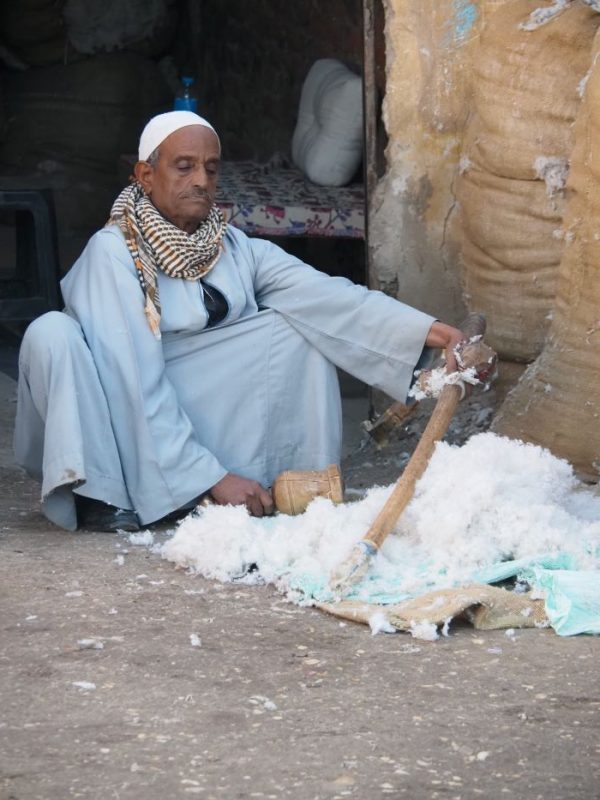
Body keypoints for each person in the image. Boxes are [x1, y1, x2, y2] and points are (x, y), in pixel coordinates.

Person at [14, 111, 465, 532]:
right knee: (50, 332)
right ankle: (106, 496)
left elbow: (328, 298)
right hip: (116, 413)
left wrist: (426, 332)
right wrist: (207, 477)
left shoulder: (234, 246)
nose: (201, 180)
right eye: (184, 167)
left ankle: (295, 488)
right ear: (146, 176)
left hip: (183, 402)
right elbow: (133, 376)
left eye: (211, 168)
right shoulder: (114, 252)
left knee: (296, 325)